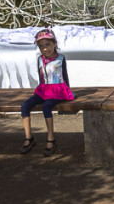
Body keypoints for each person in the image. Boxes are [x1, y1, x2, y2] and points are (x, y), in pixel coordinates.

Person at [19, 28, 74, 156]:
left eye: (48, 45)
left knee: (47, 106)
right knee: (25, 105)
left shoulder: (61, 58)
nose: (45, 49)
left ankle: (51, 139)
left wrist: (68, 91)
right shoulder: (39, 59)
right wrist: (40, 89)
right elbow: (41, 76)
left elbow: (64, 75)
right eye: (41, 46)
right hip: (44, 89)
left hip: (58, 90)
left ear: (55, 44)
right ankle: (29, 137)